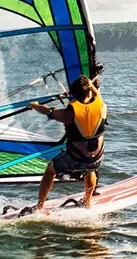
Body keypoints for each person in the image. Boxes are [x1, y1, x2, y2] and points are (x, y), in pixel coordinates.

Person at [26, 74, 107, 212]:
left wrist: (34, 105)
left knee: (51, 169)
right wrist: (91, 84)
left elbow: (48, 111)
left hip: (76, 159)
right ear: (89, 92)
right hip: (97, 159)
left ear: (73, 94)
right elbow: (97, 93)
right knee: (90, 169)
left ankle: (40, 206)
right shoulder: (102, 106)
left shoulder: (70, 114)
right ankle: (87, 202)